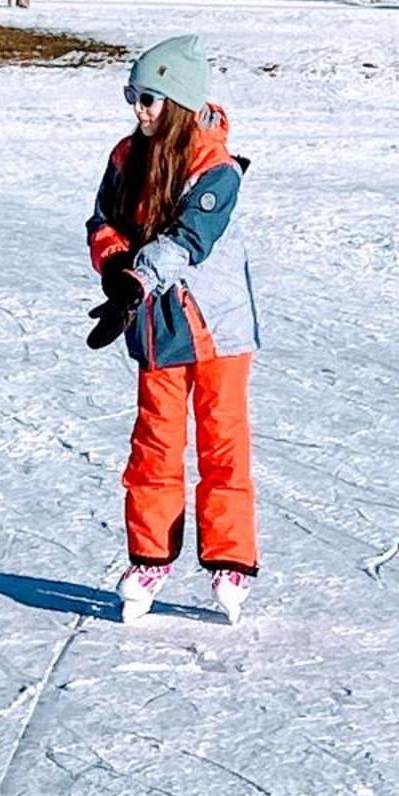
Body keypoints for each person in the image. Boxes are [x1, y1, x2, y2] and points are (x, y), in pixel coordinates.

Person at [86, 34, 259, 624]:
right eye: (133, 96)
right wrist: (113, 266)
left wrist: (138, 277)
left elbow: (190, 239)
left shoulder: (217, 168)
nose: (139, 110)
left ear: (180, 102)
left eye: (150, 99)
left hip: (218, 329)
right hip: (158, 328)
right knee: (154, 446)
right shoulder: (125, 157)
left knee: (223, 445)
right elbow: (102, 219)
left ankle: (229, 561)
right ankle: (150, 559)